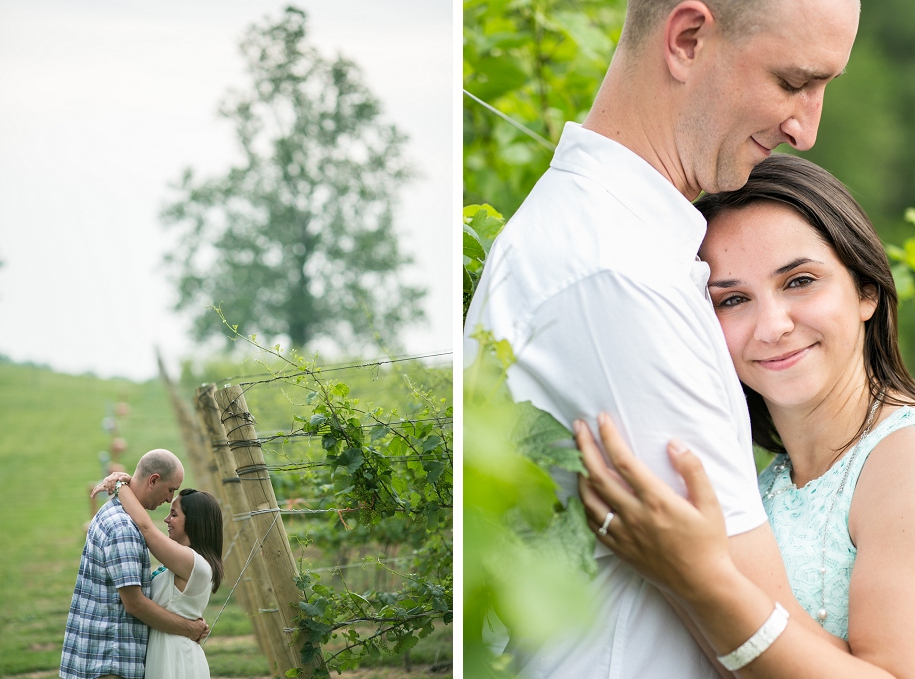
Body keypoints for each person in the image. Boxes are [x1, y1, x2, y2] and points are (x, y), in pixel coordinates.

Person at [463, 0, 858, 677]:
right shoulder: (619, 275)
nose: (805, 128)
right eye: (792, 83)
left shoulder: (634, 251)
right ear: (687, 37)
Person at [577, 154, 915, 676]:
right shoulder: (764, 481)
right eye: (732, 299)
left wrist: (698, 579)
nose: (772, 325)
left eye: (800, 281)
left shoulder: (904, 459)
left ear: (866, 289)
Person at [61, 449, 208, 679]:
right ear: (154, 480)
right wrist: (189, 628)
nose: (169, 498)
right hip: (111, 660)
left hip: (109, 657)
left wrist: (122, 484)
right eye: (171, 489)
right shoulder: (124, 529)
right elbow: (135, 604)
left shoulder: (118, 515)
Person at [91, 472, 224, 679]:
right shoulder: (184, 563)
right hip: (165, 652)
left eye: (174, 514)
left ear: (195, 522)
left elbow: (146, 529)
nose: (166, 519)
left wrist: (120, 486)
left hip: (177, 660)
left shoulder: (195, 564)